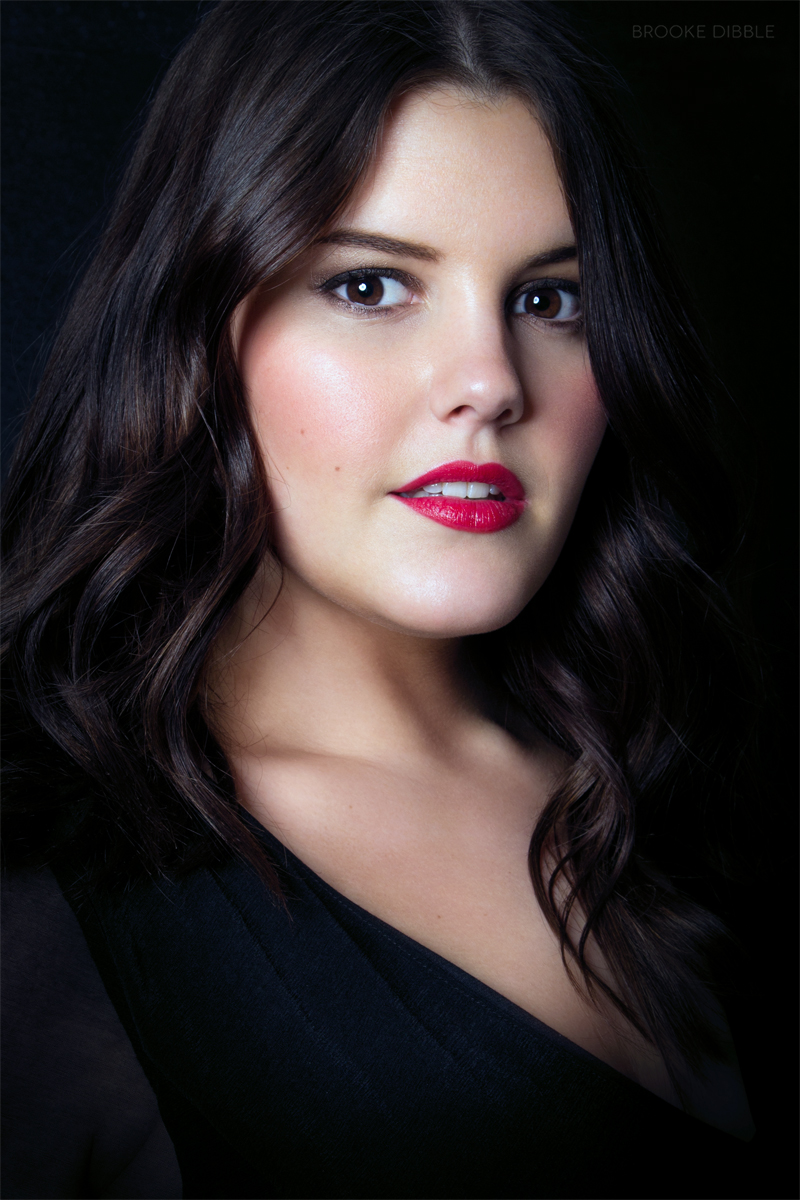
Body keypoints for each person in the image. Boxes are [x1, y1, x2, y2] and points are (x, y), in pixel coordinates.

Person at [2, 2, 764, 1197]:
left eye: (550, 300)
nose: (488, 383)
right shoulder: (46, 888)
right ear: (195, 331)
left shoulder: (678, 774)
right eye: (368, 286)